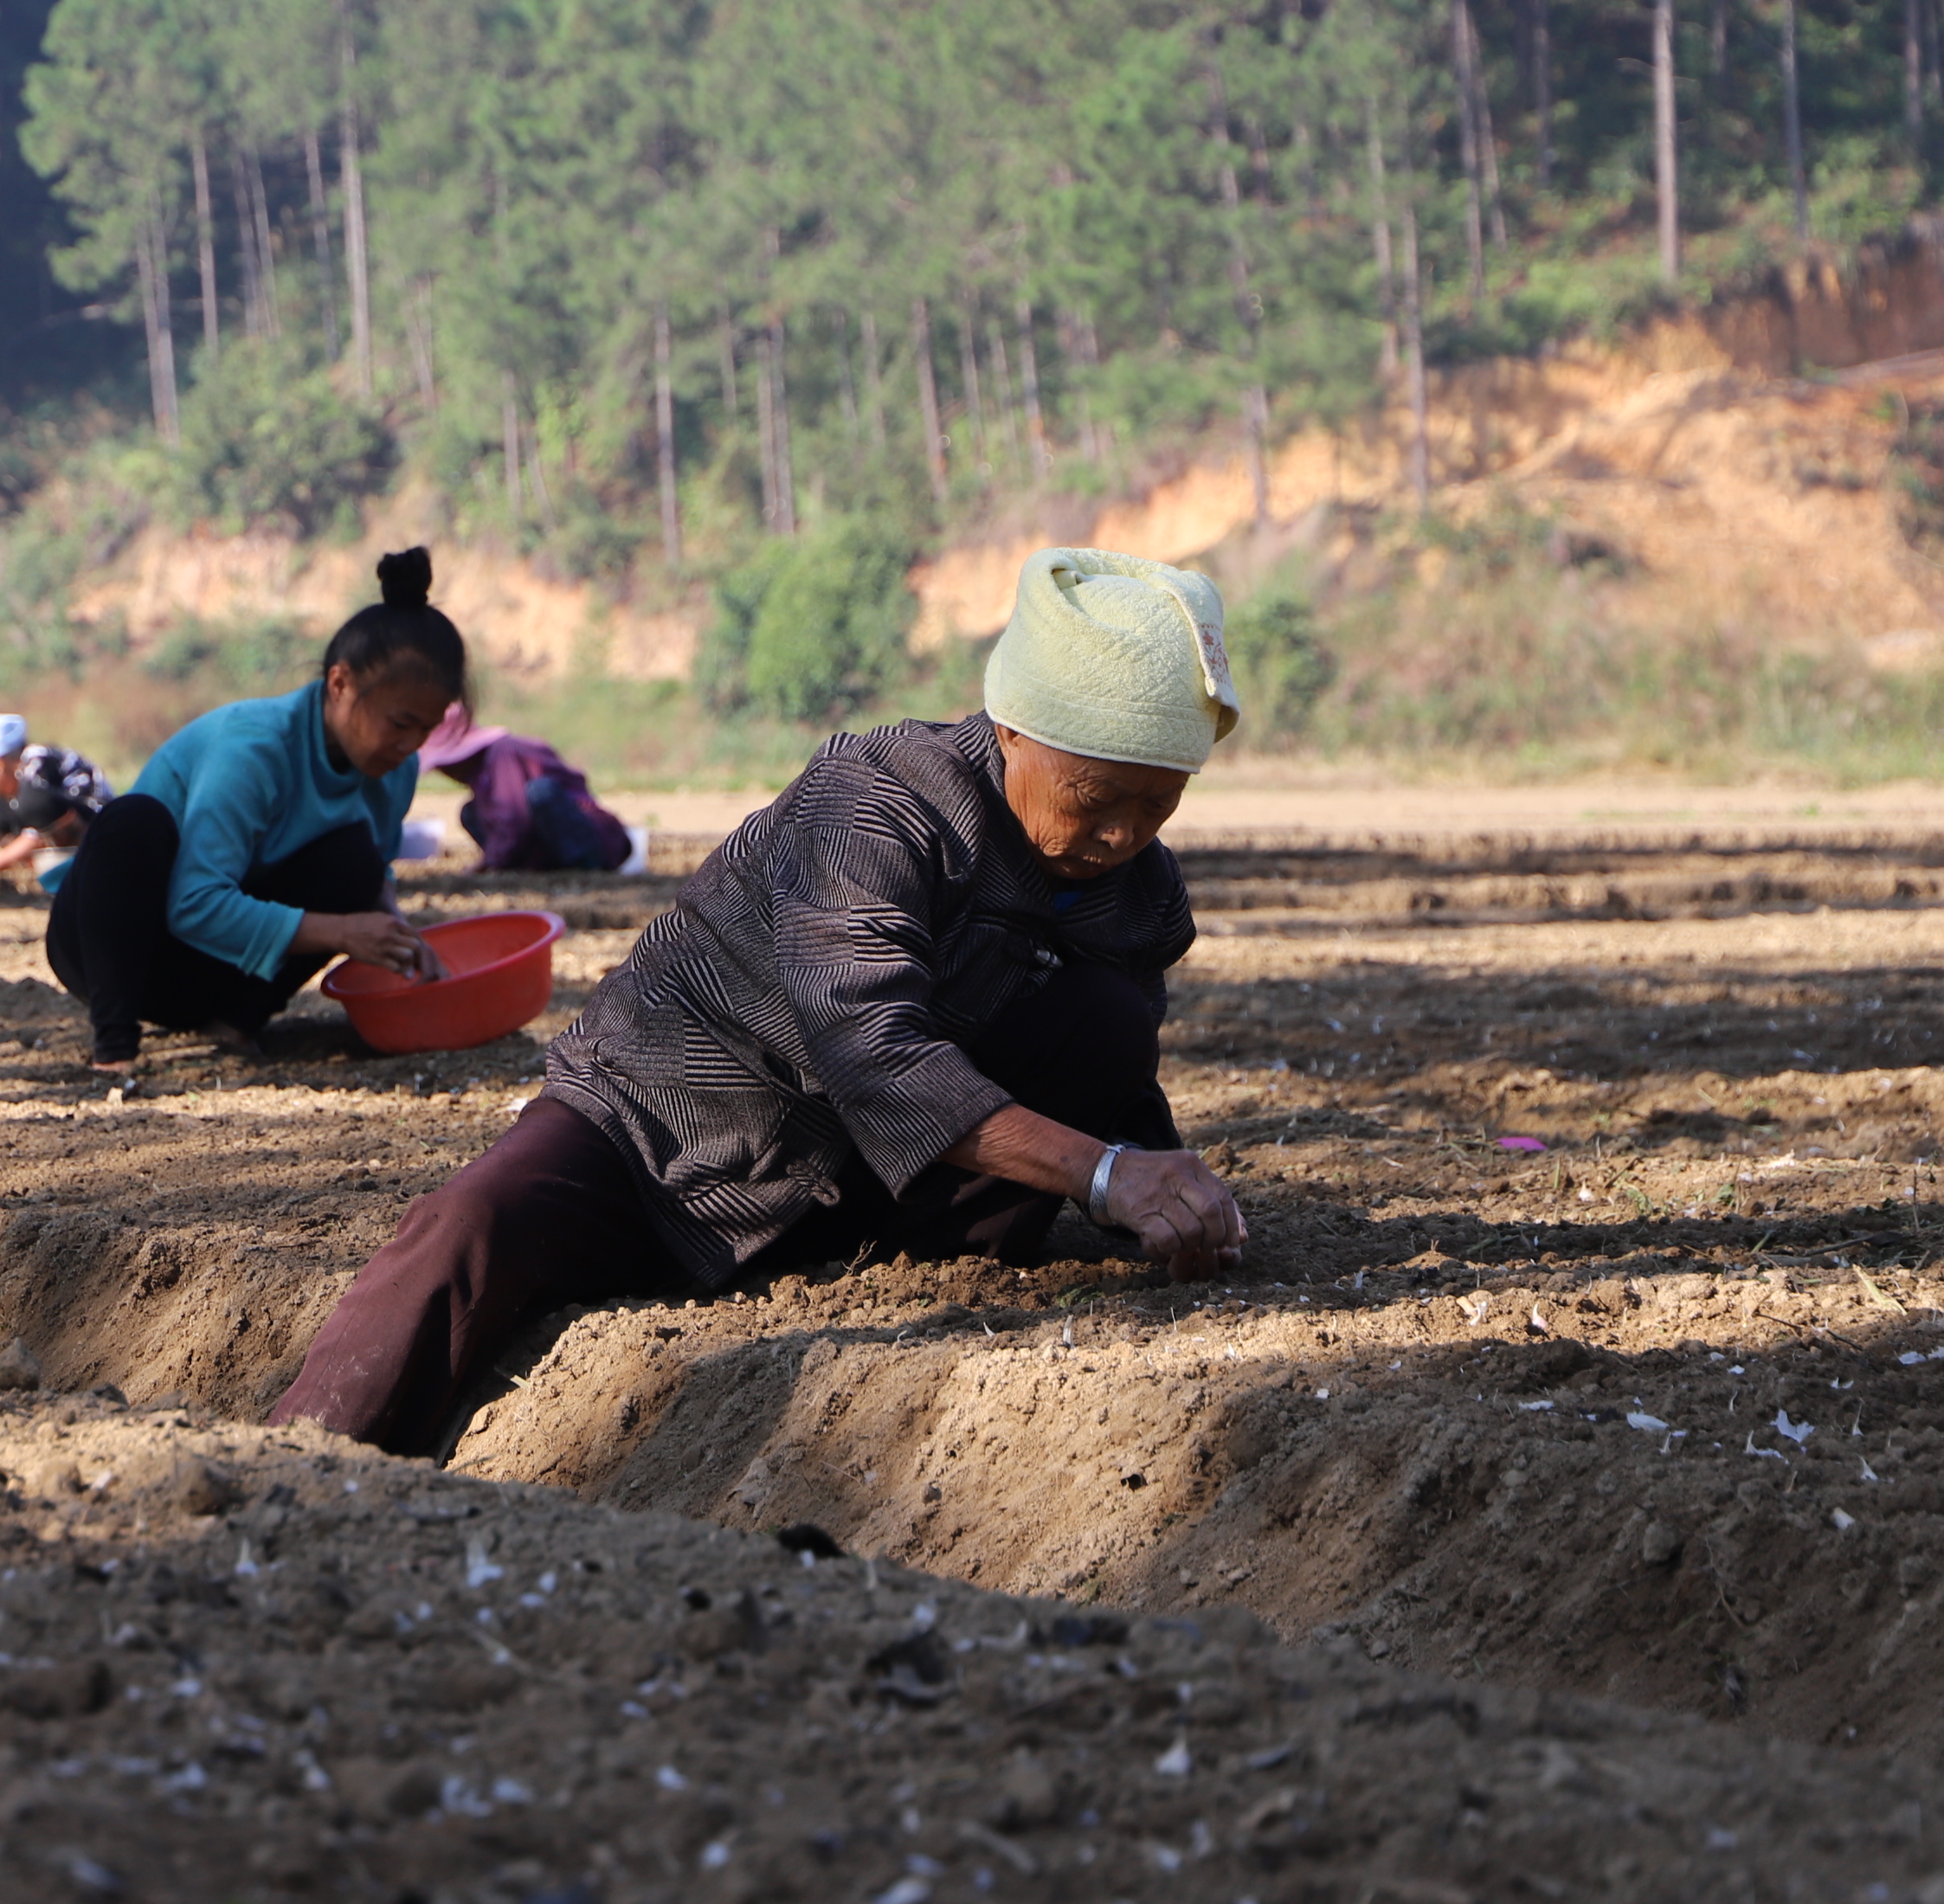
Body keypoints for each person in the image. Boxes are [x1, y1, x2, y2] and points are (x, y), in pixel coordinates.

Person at [270, 544, 1254, 1455]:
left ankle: (912, 1269)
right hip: (662, 1121)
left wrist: (1160, 1190)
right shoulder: (876, 802)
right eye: (1094, 796)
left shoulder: (1140, 891)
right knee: (469, 1227)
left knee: (1106, 1018)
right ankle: (297, 1464)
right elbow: (870, 1049)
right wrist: (1099, 1171)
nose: (1121, 833)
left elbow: (1114, 1081)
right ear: (1010, 731)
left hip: (865, 1177)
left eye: (1153, 803)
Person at [48, 550, 462, 1074]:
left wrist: (400, 934)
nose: (410, 744)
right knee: (133, 821)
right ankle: (115, 1047)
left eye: (427, 729)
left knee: (355, 863)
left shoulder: (394, 770)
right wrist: (343, 933)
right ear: (340, 685)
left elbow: (371, 874)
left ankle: (235, 1019)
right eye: (400, 722)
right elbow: (193, 904)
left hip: (207, 972)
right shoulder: (253, 748)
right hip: (114, 950)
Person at [417, 702, 634, 872]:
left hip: (592, 842)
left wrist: (490, 863)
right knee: (471, 812)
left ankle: (586, 867)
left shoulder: (503, 754)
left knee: (541, 793)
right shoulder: (483, 775)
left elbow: (514, 818)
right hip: (543, 850)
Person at [0, 713, 114, 886]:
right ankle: (38, 860)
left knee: (32, 802)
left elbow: (39, 816)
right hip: (53, 820)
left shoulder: (36, 762)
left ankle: (68, 860)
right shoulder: (25, 778)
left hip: (97, 826)